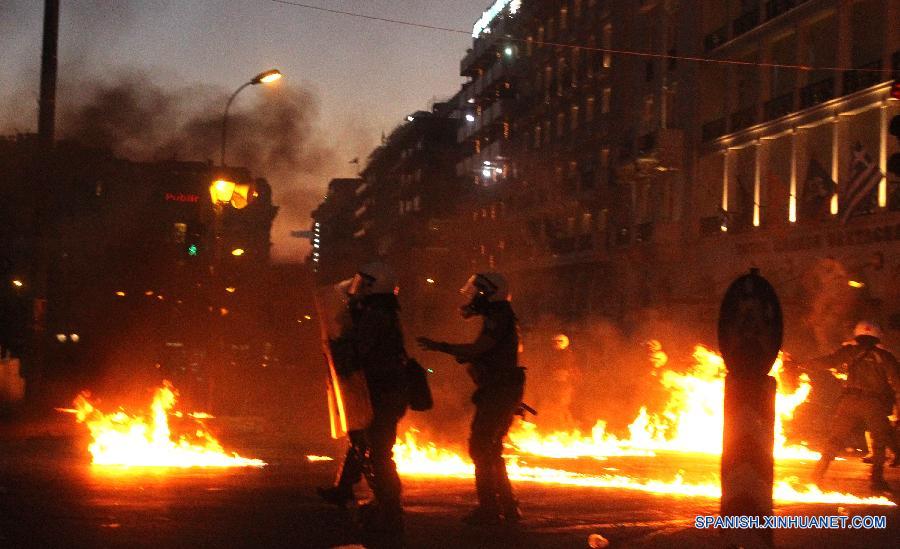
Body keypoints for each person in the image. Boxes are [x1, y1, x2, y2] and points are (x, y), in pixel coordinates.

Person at [418, 272, 525, 525]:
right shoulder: (500, 315)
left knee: (480, 448)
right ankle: (507, 506)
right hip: (501, 390)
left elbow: (480, 348)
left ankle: (490, 509)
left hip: (498, 392)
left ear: (490, 293)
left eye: (479, 292)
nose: (474, 297)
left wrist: (442, 347)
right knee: (492, 450)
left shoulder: (498, 317)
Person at [317, 263, 408, 532]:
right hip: (379, 389)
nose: (357, 291)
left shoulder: (377, 314)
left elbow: (359, 347)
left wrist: (338, 343)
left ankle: (389, 507)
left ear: (374, 287)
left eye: (362, 285)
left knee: (378, 452)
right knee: (361, 441)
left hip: (382, 391)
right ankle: (347, 490)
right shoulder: (378, 311)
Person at [810, 320, 900, 491]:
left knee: (835, 439)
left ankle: (818, 473)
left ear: (857, 335)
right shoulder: (886, 356)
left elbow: (829, 361)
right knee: (879, 443)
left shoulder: (850, 351)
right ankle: (876, 480)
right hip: (874, 405)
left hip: (849, 402)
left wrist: (804, 364)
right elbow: (898, 384)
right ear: (878, 336)